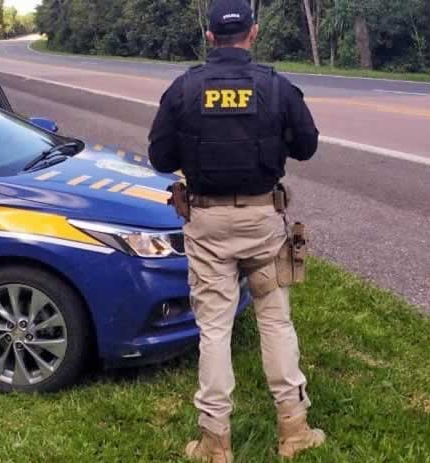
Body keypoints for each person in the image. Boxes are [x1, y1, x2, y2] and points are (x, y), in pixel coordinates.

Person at [147, 0, 324, 461]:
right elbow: (307, 146)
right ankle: (294, 429)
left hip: (206, 223)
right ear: (254, 32)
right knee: (276, 320)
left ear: (210, 37)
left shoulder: (184, 89)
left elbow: (160, 158)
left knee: (214, 329)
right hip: (263, 220)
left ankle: (214, 441)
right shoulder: (277, 86)